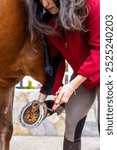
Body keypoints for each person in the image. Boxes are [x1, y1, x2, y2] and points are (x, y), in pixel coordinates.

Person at [26, 0, 100, 149]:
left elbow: (102, 52)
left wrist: (71, 86)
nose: (45, 4)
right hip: (84, 77)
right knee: (71, 122)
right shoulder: (49, 23)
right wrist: (40, 101)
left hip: (109, 72)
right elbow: (56, 61)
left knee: (109, 123)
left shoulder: (92, 5)